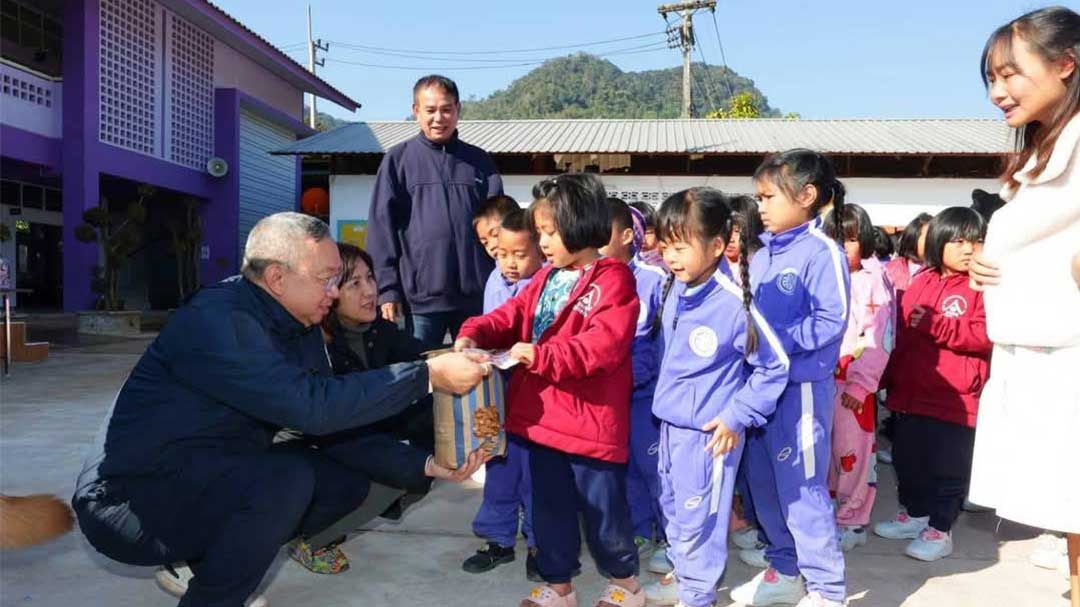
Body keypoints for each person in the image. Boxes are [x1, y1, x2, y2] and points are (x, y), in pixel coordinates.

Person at [71, 212, 489, 607]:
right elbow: (314, 407)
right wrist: (425, 375)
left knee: (342, 482)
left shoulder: (297, 324)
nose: (334, 292)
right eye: (329, 279)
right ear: (276, 277)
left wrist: (428, 465)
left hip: (203, 468)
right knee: (284, 480)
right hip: (130, 502)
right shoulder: (221, 322)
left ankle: (210, 562)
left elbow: (331, 427)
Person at [455, 174, 645, 607]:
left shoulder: (613, 279)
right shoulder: (544, 279)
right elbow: (508, 315)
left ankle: (627, 585)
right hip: (543, 422)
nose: (542, 242)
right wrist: (473, 333)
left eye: (549, 231)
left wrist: (540, 357)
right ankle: (560, 588)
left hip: (590, 425)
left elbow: (603, 347)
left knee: (604, 514)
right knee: (548, 510)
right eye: (540, 232)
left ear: (579, 224)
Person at [967, 4, 1080, 580]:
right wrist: (991, 262)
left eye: (1009, 73)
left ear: (1066, 63)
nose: (997, 92)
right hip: (1042, 352)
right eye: (992, 78)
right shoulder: (1046, 146)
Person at [288, 244, 477, 574]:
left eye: (370, 278)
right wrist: (425, 465)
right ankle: (313, 538)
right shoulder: (315, 347)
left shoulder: (379, 330)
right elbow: (345, 432)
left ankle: (387, 499)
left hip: (363, 433)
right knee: (396, 472)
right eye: (355, 284)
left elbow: (426, 358)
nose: (370, 291)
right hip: (319, 443)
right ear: (330, 293)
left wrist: (466, 354)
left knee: (434, 420)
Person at [642, 187, 789, 607]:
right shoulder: (673, 290)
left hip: (709, 436)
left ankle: (698, 596)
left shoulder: (732, 304)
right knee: (674, 510)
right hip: (671, 427)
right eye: (666, 246)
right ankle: (687, 581)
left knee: (700, 520)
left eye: (682, 246)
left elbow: (774, 365)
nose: (671, 257)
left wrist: (736, 416)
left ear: (718, 246)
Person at [731, 150, 850, 607]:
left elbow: (830, 320)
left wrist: (772, 339)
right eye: (757, 197)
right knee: (762, 484)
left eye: (768, 197)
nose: (760, 206)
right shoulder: (762, 254)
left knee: (801, 489)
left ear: (807, 196)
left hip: (799, 390)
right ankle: (785, 568)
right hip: (759, 391)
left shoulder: (822, 253)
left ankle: (827, 589)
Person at [873, 207, 991, 562]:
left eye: (977, 241)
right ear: (938, 241)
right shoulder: (922, 279)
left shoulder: (983, 284)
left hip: (954, 398)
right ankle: (915, 515)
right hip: (910, 394)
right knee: (909, 462)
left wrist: (939, 325)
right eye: (959, 240)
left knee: (947, 467)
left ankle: (940, 529)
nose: (970, 249)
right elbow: (903, 335)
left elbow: (987, 335)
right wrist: (890, 377)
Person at [367, 74, 504, 349]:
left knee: (478, 373)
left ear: (458, 109)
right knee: (419, 376)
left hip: (475, 297)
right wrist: (387, 290)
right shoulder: (398, 160)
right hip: (420, 300)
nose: (438, 118)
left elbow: (501, 224)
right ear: (416, 111)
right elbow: (381, 229)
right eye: (430, 110)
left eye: (446, 109)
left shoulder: (478, 161)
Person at [464, 206, 546, 579]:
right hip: (499, 388)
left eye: (520, 254)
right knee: (498, 463)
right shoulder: (495, 280)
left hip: (537, 395)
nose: (510, 263)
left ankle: (537, 541)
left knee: (534, 471)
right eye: (502, 254)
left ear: (541, 249)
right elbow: (491, 324)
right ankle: (497, 539)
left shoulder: (548, 281)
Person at [598, 198, 668, 564]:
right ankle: (640, 530)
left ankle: (672, 539)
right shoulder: (591, 281)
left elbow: (659, 344)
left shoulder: (654, 281)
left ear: (627, 236)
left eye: (602, 232)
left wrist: (635, 377)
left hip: (647, 400)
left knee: (656, 470)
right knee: (624, 469)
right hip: (610, 399)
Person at [824, 204, 895, 553]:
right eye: (834, 239)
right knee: (825, 453)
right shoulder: (822, 276)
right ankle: (829, 512)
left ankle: (853, 520)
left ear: (863, 240)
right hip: (820, 383)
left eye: (849, 240)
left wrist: (862, 383)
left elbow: (881, 337)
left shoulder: (873, 280)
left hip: (855, 388)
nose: (841, 248)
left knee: (853, 452)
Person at [883, 213, 931, 298]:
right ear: (913, 236)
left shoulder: (939, 272)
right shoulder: (892, 268)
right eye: (928, 237)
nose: (933, 242)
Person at [475, 195, 521, 259]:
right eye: (485, 243)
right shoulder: (498, 269)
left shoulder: (537, 264)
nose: (491, 246)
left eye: (495, 235)